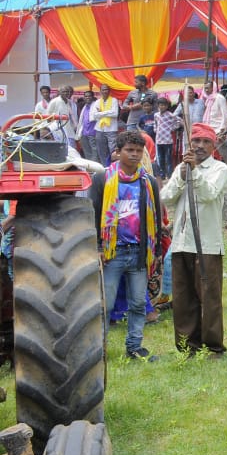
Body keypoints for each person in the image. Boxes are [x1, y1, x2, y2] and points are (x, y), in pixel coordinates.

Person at [90, 130, 163, 362]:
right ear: (117, 152)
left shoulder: (148, 182)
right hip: (112, 252)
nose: (134, 155)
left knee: (138, 303)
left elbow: (155, 218)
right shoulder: (103, 179)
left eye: (139, 151)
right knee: (106, 304)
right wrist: (98, 247)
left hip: (139, 252)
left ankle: (134, 347)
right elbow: (93, 213)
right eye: (129, 150)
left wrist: (156, 250)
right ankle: (98, 350)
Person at [160, 122, 227, 358]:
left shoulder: (220, 168)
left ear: (213, 146)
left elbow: (209, 194)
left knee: (209, 298)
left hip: (207, 244)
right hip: (182, 242)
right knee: (183, 297)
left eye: (205, 142)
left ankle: (213, 346)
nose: (200, 146)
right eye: (196, 141)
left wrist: (195, 172)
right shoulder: (182, 167)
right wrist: (181, 177)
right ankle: (188, 345)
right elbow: (166, 198)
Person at [90, 84, 120, 166]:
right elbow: (94, 115)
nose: (105, 91)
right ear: (100, 91)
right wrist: (108, 112)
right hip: (99, 129)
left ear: (109, 91)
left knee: (112, 150)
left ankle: (114, 166)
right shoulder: (97, 102)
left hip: (111, 129)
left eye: (106, 89)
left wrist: (101, 113)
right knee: (101, 150)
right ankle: (105, 167)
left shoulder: (114, 100)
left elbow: (115, 114)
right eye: (103, 90)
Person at [154, 97, 182, 181]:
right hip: (159, 140)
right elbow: (155, 123)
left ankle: (170, 175)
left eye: (164, 105)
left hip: (168, 140)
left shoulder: (170, 115)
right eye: (160, 105)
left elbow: (179, 121)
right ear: (158, 105)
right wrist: (155, 130)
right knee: (160, 158)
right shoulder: (156, 115)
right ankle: (162, 175)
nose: (162, 107)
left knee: (168, 158)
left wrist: (173, 128)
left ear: (167, 106)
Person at [77, 89, 98, 162]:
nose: (87, 97)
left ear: (92, 97)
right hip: (84, 133)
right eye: (86, 96)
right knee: (86, 151)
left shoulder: (96, 106)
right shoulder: (85, 107)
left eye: (89, 96)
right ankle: (89, 165)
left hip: (93, 132)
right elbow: (82, 121)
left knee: (94, 151)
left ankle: (94, 166)